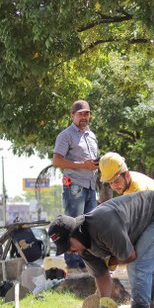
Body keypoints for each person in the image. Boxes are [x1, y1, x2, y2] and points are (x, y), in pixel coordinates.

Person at [47, 190, 154, 308]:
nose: (69, 251)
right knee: (152, 268)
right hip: (147, 222)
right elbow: (101, 274)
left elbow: (130, 256)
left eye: (68, 245)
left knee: (138, 266)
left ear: (75, 232)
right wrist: (104, 304)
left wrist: (112, 260)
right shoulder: (82, 249)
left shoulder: (102, 223)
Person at [53, 99, 99, 269]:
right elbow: (57, 160)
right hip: (74, 186)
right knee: (73, 225)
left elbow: (90, 162)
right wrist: (82, 165)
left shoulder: (92, 136)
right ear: (72, 115)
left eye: (87, 113)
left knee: (90, 227)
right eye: (80, 114)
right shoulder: (66, 135)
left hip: (91, 186)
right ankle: (73, 266)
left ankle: (87, 264)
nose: (84, 117)